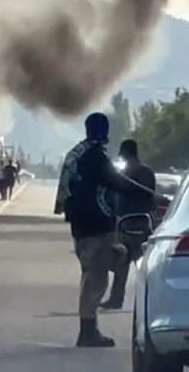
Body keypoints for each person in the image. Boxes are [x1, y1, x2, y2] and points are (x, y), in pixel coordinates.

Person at [55, 112, 158, 348]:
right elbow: (118, 182)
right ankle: (88, 330)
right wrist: (147, 192)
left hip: (80, 225)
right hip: (97, 224)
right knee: (97, 276)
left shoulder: (77, 152)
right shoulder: (96, 156)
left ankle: (91, 326)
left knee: (96, 269)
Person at [101, 139, 156, 310]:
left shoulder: (124, 174)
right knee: (144, 266)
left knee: (121, 265)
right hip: (144, 223)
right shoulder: (148, 172)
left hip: (126, 223)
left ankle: (117, 299)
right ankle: (150, 302)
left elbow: (117, 200)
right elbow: (151, 198)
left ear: (124, 154)